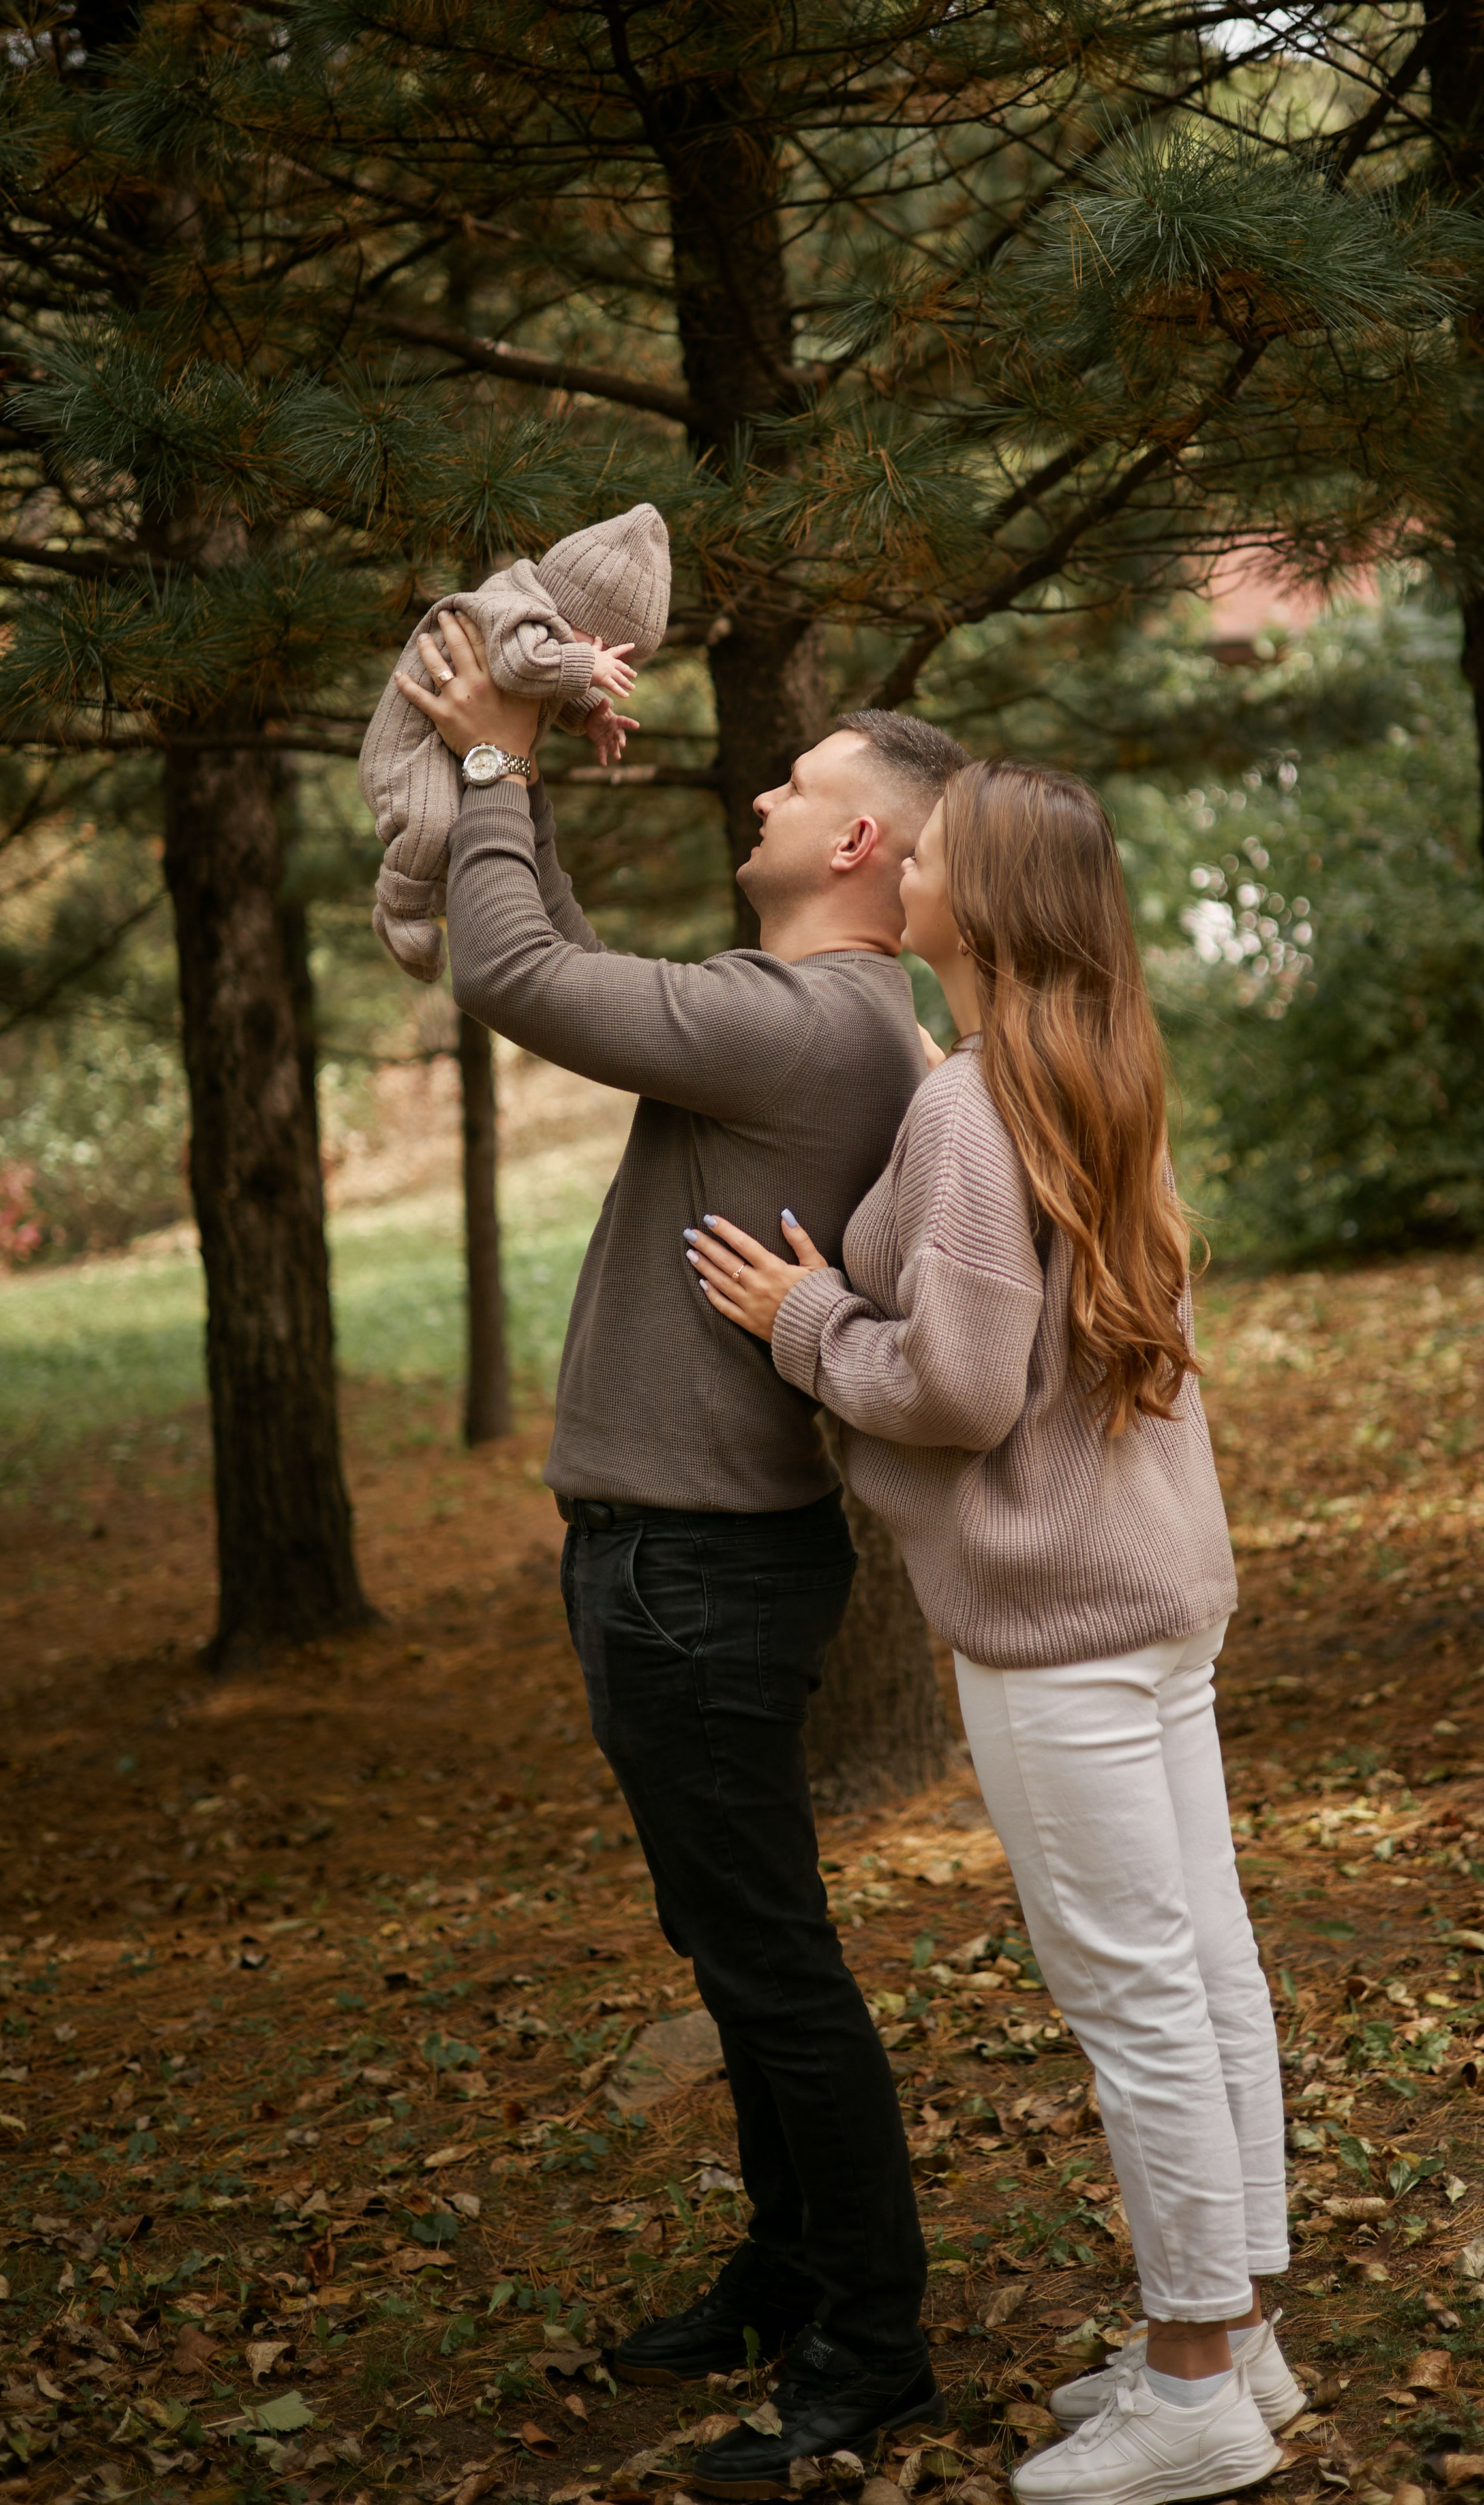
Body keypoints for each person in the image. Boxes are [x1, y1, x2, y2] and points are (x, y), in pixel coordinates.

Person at [391, 609, 969, 2498]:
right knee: (738, 1948)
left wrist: (496, 764)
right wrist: (520, 784)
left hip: (695, 1577)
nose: (763, 790)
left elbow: (521, 980)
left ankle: (870, 2347)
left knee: (775, 1965)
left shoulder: (808, 1024)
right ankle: (795, 2272)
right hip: (687, 1568)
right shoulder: (798, 1019)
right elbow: (552, 959)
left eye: (799, 785)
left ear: (864, 850)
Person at [686, 759, 1300, 2505]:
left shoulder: (966, 1109)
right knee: (1207, 1971)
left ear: (985, 902)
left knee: (1137, 1999)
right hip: (1160, 1594)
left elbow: (955, 1387)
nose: (908, 862)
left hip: (1062, 1621)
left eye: (934, 849)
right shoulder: (1095, 1064)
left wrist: (805, 1319)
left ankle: (1194, 2386)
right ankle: (1242, 2338)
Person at [359, 504, 667, 980]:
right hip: (410, 752)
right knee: (432, 822)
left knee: (459, 836)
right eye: (604, 648)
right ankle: (399, 909)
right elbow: (518, 669)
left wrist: (590, 714)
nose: (600, 663)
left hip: (454, 747)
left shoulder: (550, 629)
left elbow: (538, 687)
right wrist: (587, 666)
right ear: (580, 613)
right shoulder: (511, 610)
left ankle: (429, 896)